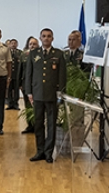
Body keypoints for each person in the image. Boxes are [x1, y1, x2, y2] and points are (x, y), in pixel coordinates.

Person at [24, 28, 66, 163]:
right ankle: (40, 151)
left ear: (52, 38)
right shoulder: (34, 53)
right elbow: (28, 74)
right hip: (37, 94)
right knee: (38, 124)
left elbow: (62, 75)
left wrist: (60, 91)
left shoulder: (58, 54)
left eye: (49, 36)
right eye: (44, 36)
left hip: (52, 94)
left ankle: (48, 153)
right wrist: (29, 91)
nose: (46, 38)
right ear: (40, 38)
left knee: (51, 124)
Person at [20, 36, 39, 134]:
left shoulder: (40, 55)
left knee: (37, 106)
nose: (32, 46)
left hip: (37, 85)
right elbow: (20, 70)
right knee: (28, 106)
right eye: (30, 44)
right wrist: (19, 84)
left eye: (34, 44)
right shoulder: (24, 55)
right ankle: (30, 126)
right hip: (26, 85)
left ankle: (37, 126)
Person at [6, 39, 23, 109]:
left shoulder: (20, 53)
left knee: (16, 90)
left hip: (17, 74)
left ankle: (16, 104)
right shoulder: (7, 52)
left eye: (15, 43)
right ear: (9, 44)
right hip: (9, 75)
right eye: (12, 43)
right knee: (9, 90)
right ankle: (10, 104)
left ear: (17, 44)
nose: (13, 45)